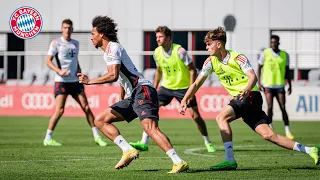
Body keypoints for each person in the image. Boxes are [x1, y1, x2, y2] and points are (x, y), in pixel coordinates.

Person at [178, 27, 319, 170]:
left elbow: (253, 76)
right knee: (269, 135)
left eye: (209, 43)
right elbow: (196, 83)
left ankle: (230, 159)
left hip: (250, 95)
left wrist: (246, 88)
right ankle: (310, 150)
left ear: (219, 44)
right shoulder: (210, 62)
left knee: (221, 117)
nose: (206, 47)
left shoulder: (238, 57)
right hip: (244, 99)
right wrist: (184, 100)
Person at [77, 16, 188, 173]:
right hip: (133, 95)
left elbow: (113, 75)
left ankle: (178, 161)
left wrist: (90, 81)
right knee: (100, 120)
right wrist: (122, 99)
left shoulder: (113, 48)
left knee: (150, 128)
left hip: (142, 91)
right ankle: (128, 150)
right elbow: (122, 79)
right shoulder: (108, 51)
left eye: (93, 33)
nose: (91, 37)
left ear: (101, 34)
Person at [130, 26, 215, 153]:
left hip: (184, 88)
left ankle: (208, 142)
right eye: (157, 37)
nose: (158, 39)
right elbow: (158, 71)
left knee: (195, 116)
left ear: (169, 38)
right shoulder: (157, 52)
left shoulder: (180, 51)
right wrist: (153, 88)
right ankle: (144, 142)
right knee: (149, 108)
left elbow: (193, 70)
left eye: (161, 37)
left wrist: (191, 92)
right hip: (166, 87)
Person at [44, 19, 107, 147]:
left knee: (87, 108)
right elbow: (48, 61)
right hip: (61, 81)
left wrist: (80, 71)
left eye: (69, 28)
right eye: (65, 27)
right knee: (60, 110)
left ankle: (96, 136)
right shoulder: (56, 43)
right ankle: (48, 138)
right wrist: (59, 71)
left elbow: (75, 61)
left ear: (72, 29)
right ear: (62, 29)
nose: (67, 30)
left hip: (75, 81)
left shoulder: (75, 44)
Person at [257, 35, 294, 139]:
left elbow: (287, 72)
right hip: (268, 85)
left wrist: (290, 85)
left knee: (283, 107)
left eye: (275, 42)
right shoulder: (265, 53)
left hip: (280, 85)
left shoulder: (285, 55)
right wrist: (259, 82)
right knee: (269, 107)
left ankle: (288, 131)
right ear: (270, 43)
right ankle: (271, 128)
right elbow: (259, 68)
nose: (273, 44)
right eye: (272, 42)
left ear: (278, 43)